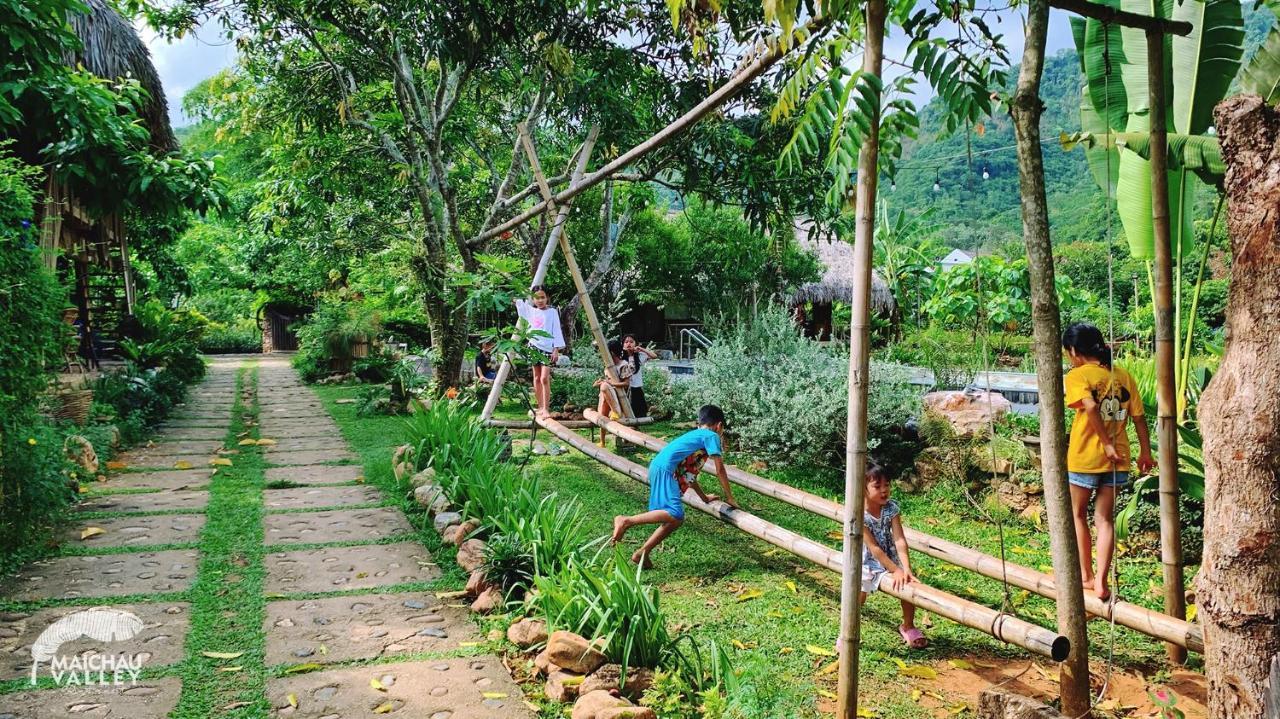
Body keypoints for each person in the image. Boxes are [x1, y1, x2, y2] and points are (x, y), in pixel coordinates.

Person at [1062, 322, 1154, 602]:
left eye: (1067, 352)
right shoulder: (1123, 376)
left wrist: (1105, 442)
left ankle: (1086, 576)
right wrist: (1145, 453)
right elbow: (1139, 417)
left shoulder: (1078, 375)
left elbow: (1089, 406)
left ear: (1075, 351)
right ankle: (1102, 582)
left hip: (1086, 458)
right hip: (1120, 460)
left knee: (1077, 514)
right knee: (1104, 519)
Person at [611, 404, 738, 568]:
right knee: (675, 514)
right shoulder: (710, 436)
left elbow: (689, 475)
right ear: (719, 426)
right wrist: (730, 497)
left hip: (659, 468)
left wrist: (704, 497)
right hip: (666, 471)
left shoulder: (695, 437)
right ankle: (626, 521)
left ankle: (643, 553)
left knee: (674, 520)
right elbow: (720, 469)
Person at [861, 461, 927, 648]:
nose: (884, 490)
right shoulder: (859, 514)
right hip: (866, 559)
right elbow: (873, 548)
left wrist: (905, 568)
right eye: (877, 486)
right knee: (859, 595)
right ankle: (847, 632)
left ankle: (908, 626)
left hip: (889, 555)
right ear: (863, 489)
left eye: (887, 485)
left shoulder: (891, 509)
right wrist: (894, 569)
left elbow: (899, 540)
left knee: (908, 585)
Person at [515, 285, 565, 418]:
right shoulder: (531, 311)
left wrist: (556, 350)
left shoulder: (552, 312)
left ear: (547, 298)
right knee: (536, 378)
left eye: (543, 297)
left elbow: (556, 331)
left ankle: (546, 408)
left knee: (544, 378)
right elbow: (520, 305)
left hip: (547, 348)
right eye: (537, 298)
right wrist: (514, 299)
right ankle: (540, 406)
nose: (540, 300)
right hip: (533, 347)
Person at [594, 339, 634, 447]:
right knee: (602, 415)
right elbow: (607, 380)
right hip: (607, 394)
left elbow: (626, 383)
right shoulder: (608, 366)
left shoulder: (624, 365)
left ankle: (616, 411)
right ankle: (602, 441)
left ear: (611, 353)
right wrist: (602, 381)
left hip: (619, 397)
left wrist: (610, 383)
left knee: (604, 386)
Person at [622, 334, 657, 418]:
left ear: (636, 344)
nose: (628, 344)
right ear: (623, 344)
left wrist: (641, 349)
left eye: (631, 342)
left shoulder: (640, 356)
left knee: (639, 411)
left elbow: (654, 356)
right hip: (624, 387)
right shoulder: (620, 356)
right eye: (626, 342)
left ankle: (637, 427)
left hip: (636, 387)